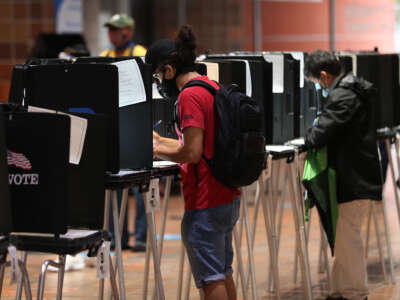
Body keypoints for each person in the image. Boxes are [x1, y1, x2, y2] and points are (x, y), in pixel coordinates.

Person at [145, 25, 240, 300]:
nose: (159, 81)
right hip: (226, 194)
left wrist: (161, 153)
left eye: (158, 74)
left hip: (205, 201)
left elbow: (193, 153)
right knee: (223, 271)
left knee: (211, 279)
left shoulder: (188, 96)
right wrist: (160, 144)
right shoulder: (210, 86)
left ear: (169, 70)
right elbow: (198, 144)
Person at [304, 50, 382, 300]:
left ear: (325, 76)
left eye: (317, 82)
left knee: (348, 237)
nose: (320, 87)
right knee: (344, 234)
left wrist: (308, 134)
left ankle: (356, 293)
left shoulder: (343, 96)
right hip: (358, 173)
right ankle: (339, 290)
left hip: (352, 178)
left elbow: (319, 135)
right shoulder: (356, 89)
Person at [101, 13, 148, 252]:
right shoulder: (104, 57)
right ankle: (115, 236)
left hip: (137, 128)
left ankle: (141, 237)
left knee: (141, 188)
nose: (111, 34)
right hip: (113, 129)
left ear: (128, 32)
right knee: (114, 186)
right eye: (109, 29)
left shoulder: (141, 54)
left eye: (115, 29)